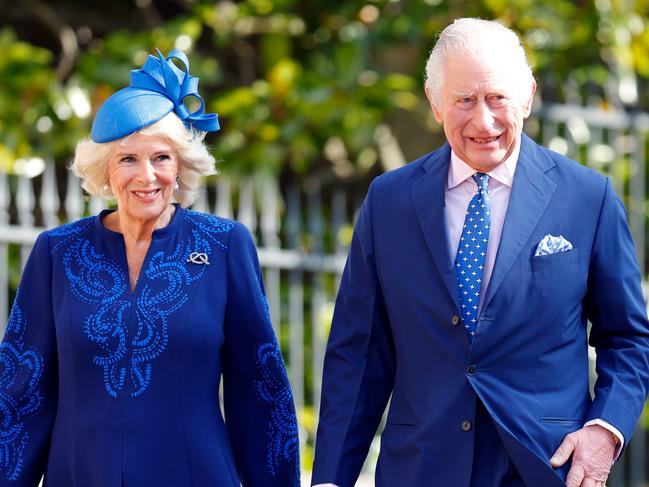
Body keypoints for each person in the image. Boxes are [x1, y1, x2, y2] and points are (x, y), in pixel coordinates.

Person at [311, 18, 649, 487]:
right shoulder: (388, 202)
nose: (483, 121)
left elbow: (628, 338)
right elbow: (360, 354)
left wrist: (604, 430)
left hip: (546, 467)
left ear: (527, 95)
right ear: (434, 102)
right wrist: (330, 478)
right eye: (464, 100)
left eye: (497, 98)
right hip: (421, 469)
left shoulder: (587, 198)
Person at [0, 49, 300, 486]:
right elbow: (21, 391)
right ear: (104, 170)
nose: (148, 175)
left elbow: (259, 387)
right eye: (128, 159)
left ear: (180, 166)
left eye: (161, 157)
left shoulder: (223, 245)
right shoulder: (56, 252)